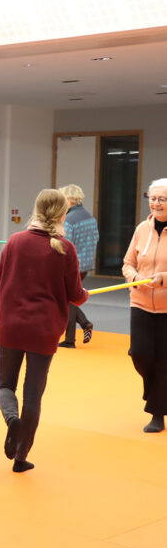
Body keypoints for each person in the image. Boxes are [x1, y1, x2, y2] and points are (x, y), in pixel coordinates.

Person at [0, 189, 88, 472]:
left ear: (35, 209)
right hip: (44, 330)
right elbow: (75, 295)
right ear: (62, 214)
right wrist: (84, 294)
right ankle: (21, 458)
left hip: (11, 326)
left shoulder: (14, 241)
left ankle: (12, 420)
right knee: (33, 395)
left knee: (5, 386)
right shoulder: (65, 248)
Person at [122, 178, 167, 433]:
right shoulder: (142, 229)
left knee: (163, 361)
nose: (156, 203)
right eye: (152, 198)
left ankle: (157, 412)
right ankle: (157, 393)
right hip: (140, 302)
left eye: (162, 199)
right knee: (139, 354)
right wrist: (134, 277)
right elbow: (128, 262)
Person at [57, 184, 99, 348]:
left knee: (68, 299)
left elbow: (64, 244)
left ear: (69, 200)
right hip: (85, 264)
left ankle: (70, 339)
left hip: (72, 265)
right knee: (70, 297)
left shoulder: (68, 220)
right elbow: (96, 237)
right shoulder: (90, 217)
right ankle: (84, 323)